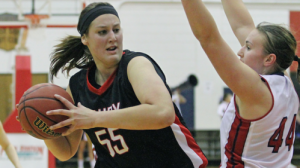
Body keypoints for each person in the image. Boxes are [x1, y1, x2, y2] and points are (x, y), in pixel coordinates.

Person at [45, 2, 207, 168]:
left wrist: (95, 118)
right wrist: (41, 127)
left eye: (116, 30)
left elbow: (164, 113)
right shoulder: (78, 86)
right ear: (85, 38)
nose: (112, 37)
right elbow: (66, 151)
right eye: (102, 32)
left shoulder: (135, 66)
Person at [181, 0, 299, 167]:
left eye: (248, 47)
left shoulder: (256, 91)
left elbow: (208, 38)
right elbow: (242, 25)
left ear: (269, 59)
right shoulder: (284, 81)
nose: (240, 51)